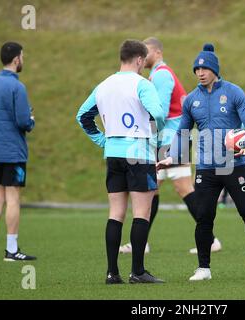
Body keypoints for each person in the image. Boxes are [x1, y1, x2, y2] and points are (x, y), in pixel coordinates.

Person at [158, 43, 245, 281]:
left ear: (214, 70)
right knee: (203, 217)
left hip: (233, 165)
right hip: (205, 167)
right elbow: (182, 132)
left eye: (204, 69)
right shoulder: (190, 100)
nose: (200, 73)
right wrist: (173, 156)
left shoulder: (234, 92)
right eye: (196, 70)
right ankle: (204, 268)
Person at [119, 37, 222, 255]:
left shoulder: (162, 74)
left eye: (145, 52)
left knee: (176, 188)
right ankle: (141, 242)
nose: (142, 57)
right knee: (152, 190)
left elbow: (161, 110)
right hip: (170, 139)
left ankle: (210, 239)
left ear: (156, 52)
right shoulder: (158, 74)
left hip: (172, 139)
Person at [76, 39, 165, 284]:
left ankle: (112, 273)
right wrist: (158, 135)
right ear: (138, 60)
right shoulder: (142, 84)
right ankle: (137, 272)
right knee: (142, 212)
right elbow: (157, 112)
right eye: (144, 62)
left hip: (114, 153)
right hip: (139, 153)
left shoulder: (104, 85)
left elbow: (82, 115)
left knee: (116, 213)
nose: (144, 66)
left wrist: (103, 140)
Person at [0, 42, 36, 262]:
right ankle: (11, 249)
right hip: (12, 151)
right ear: (16, 59)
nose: (23, 59)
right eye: (23, 56)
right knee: (12, 198)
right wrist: (31, 121)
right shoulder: (17, 87)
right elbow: (23, 121)